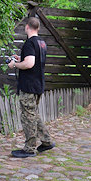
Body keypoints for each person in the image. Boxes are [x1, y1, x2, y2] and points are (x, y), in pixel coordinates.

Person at [8, 16, 55, 158]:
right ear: (38, 28)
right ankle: (46, 141)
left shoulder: (29, 43)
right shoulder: (41, 43)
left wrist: (14, 65)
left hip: (28, 86)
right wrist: (20, 58)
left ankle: (29, 149)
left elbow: (29, 64)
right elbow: (32, 61)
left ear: (27, 27)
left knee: (27, 116)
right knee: (33, 114)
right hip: (38, 84)